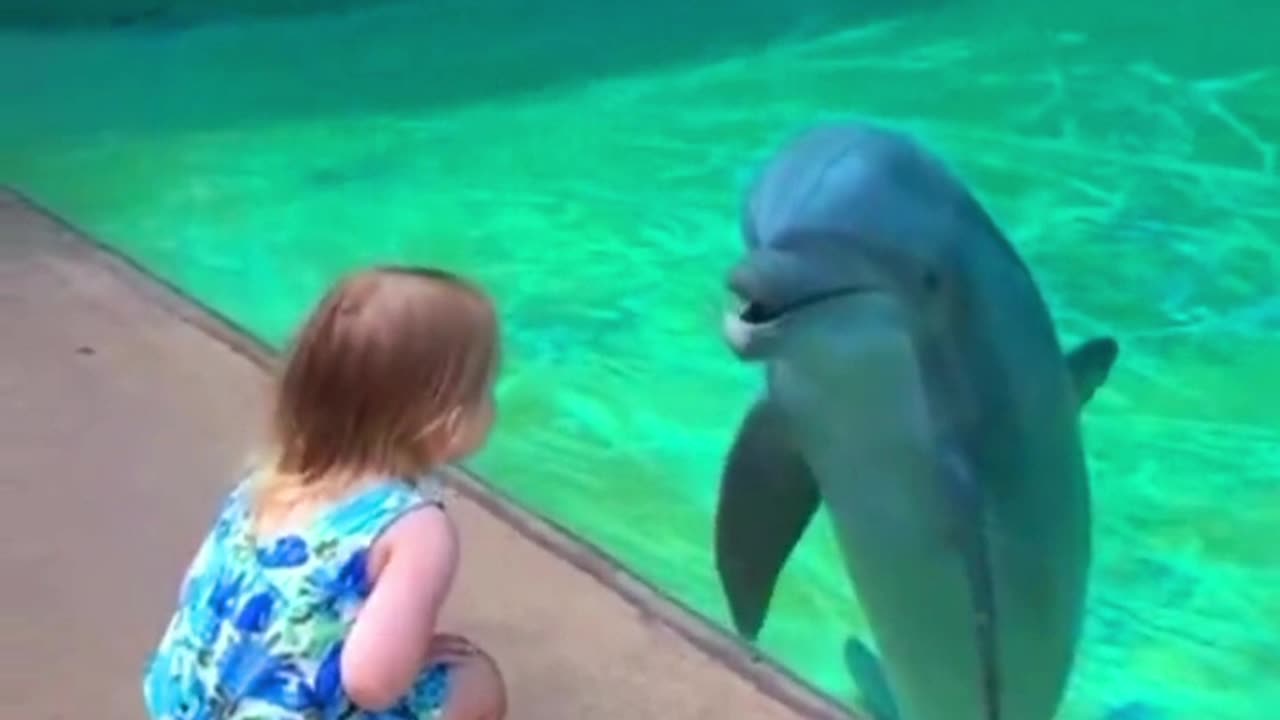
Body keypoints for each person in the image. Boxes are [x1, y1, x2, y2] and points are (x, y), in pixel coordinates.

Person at [142, 266, 508, 720]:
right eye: (485, 389)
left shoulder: (272, 479)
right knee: (474, 681)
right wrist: (409, 656)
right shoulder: (414, 529)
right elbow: (372, 684)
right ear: (445, 418)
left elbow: (194, 591)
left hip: (182, 704)